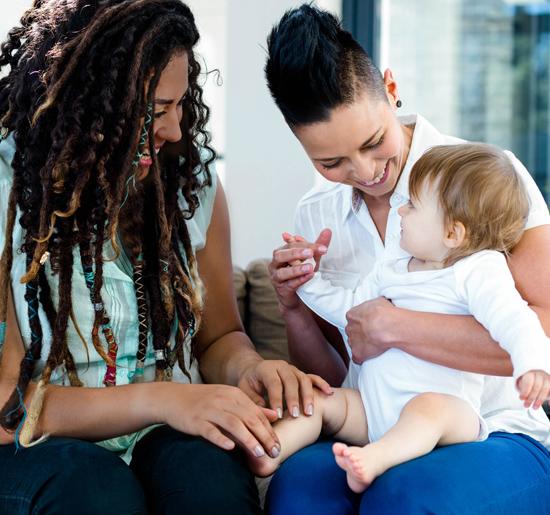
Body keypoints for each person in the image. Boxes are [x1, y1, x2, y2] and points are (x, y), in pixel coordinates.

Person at [0, 1, 331, 514]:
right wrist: (163, 399)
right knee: (98, 493)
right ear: (90, 104)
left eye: (181, 104)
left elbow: (218, 336)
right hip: (44, 448)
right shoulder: (8, 192)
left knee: (209, 482)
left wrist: (249, 368)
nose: (176, 129)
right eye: (156, 111)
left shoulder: (186, 180)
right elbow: (6, 412)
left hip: (164, 430)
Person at [264, 4, 550, 514]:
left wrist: (394, 326)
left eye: (374, 143)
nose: (365, 171)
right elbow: (332, 374)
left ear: (391, 91)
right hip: (372, 419)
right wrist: (294, 307)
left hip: (491, 430)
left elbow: (543, 329)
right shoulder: (317, 216)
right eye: (330, 162)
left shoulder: (486, 181)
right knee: (299, 492)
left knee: (403, 496)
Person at [247, 142, 550, 493]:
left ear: (453, 233)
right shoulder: (393, 269)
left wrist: (532, 365)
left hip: (446, 418)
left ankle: (376, 460)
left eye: (414, 205)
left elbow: (514, 320)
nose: (400, 211)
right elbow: (350, 308)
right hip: (374, 411)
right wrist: (307, 282)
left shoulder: (478, 271)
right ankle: (268, 451)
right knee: (324, 402)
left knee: (428, 408)